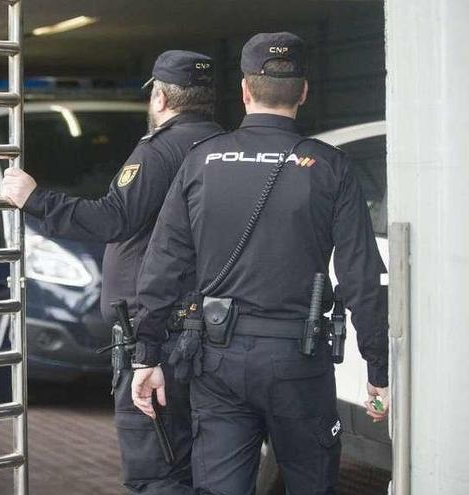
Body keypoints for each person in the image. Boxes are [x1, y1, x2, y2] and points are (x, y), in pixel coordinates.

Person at [130, 32, 390, 494]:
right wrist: (377, 368)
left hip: (217, 361)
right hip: (299, 361)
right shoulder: (330, 167)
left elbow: (162, 266)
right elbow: (361, 276)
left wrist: (146, 354)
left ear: (245, 91)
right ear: (304, 91)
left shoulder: (202, 161)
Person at [1, 50, 222, 494]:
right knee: (206, 465)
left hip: (157, 331)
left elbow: (112, 218)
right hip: (211, 329)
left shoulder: (159, 151)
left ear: (160, 97)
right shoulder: (225, 148)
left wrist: (35, 199)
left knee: (155, 471)